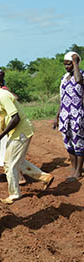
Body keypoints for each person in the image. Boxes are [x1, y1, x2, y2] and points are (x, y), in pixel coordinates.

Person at [0, 70, 54, 204]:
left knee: (9, 164)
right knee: (19, 162)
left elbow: (15, 118)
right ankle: (45, 177)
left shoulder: (2, 96)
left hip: (21, 132)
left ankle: (14, 194)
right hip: (18, 131)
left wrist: (0, 136)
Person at [54, 51, 84, 182]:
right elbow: (62, 99)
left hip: (77, 113)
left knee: (79, 142)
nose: (67, 67)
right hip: (65, 115)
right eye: (65, 64)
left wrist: (76, 63)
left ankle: (78, 172)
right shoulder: (63, 78)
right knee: (68, 142)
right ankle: (73, 169)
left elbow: (78, 80)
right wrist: (57, 116)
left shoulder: (81, 75)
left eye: (69, 64)